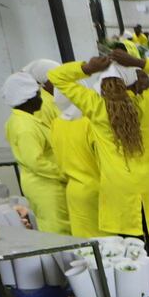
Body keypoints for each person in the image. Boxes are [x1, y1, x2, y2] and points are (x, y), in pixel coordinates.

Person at [52, 50, 149, 297]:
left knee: (129, 250)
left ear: (101, 86)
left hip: (120, 192)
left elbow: (57, 77)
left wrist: (87, 68)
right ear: (134, 80)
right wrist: (138, 61)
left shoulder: (96, 109)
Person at [2, 73, 68, 233]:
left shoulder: (26, 120)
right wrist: (65, 173)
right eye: (38, 95)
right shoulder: (25, 127)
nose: (41, 99)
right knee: (57, 231)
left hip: (48, 182)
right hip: (45, 186)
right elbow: (36, 162)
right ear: (27, 99)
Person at [49, 78, 99, 236]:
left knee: (85, 245)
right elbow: (103, 159)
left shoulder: (56, 124)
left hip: (73, 190)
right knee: (107, 246)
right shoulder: (89, 123)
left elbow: (57, 157)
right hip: (97, 190)